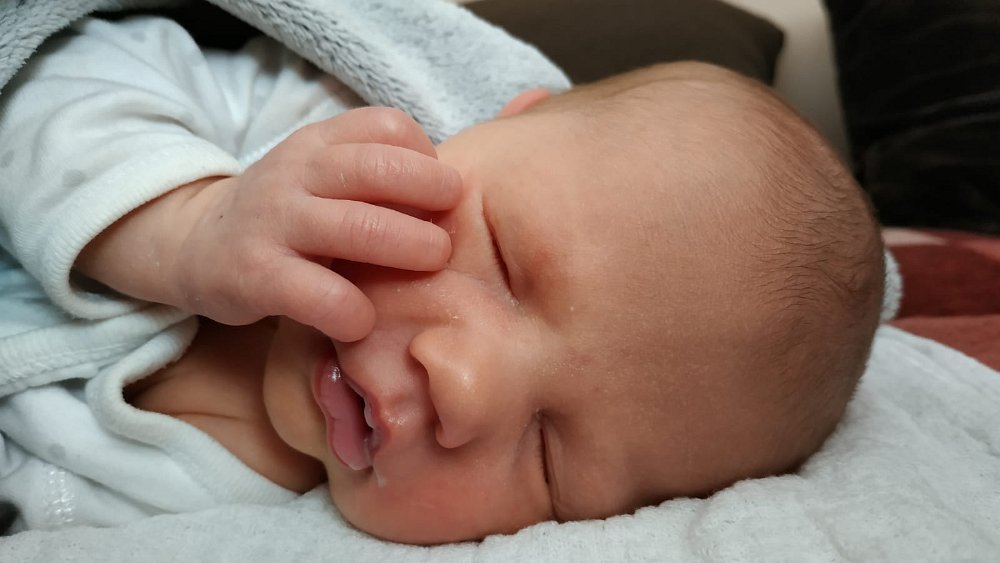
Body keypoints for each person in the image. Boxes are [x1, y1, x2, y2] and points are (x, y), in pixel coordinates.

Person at [0, 15, 884, 544]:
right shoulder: (317, 125)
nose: (464, 385)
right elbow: (61, 60)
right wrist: (190, 219)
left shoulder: (228, 521)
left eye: (550, 456)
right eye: (506, 260)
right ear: (498, 125)